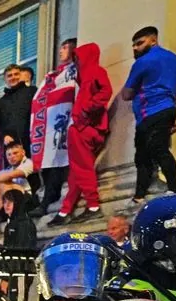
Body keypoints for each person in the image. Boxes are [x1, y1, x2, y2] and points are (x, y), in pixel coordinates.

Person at [50, 43, 113, 227]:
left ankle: (92, 205)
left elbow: (105, 92)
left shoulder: (94, 71)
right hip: (84, 126)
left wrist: (85, 112)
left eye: (77, 57)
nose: (76, 61)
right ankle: (66, 209)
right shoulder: (85, 75)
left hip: (84, 127)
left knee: (82, 168)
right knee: (77, 171)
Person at [122, 26, 176, 206]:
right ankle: (144, 193)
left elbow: (126, 94)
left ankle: (172, 190)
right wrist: (173, 118)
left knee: (148, 154)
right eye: (133, 45)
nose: (135, 48)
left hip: (148, 112)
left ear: (153, 40)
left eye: (139, 43)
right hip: (168, 109)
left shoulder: (142, 62)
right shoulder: (175, 60)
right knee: (153, 151)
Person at [30, 39, 79, 216]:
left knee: (62, 162)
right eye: (60, 47)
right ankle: (47, 199)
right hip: (49, 125)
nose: (60, 51)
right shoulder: (52, 75)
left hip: (67, 121)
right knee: (49, 162)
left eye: (65, 48)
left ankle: (54, 201)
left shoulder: (76, 70)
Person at [0, 64, 34, 151]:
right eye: (9, 75)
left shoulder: (32, 91)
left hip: (32, 144)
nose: (13, 77)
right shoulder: (0, 103)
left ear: (21, 75)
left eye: (16, 74)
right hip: (11, 149)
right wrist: (3, 136)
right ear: (5, 79)